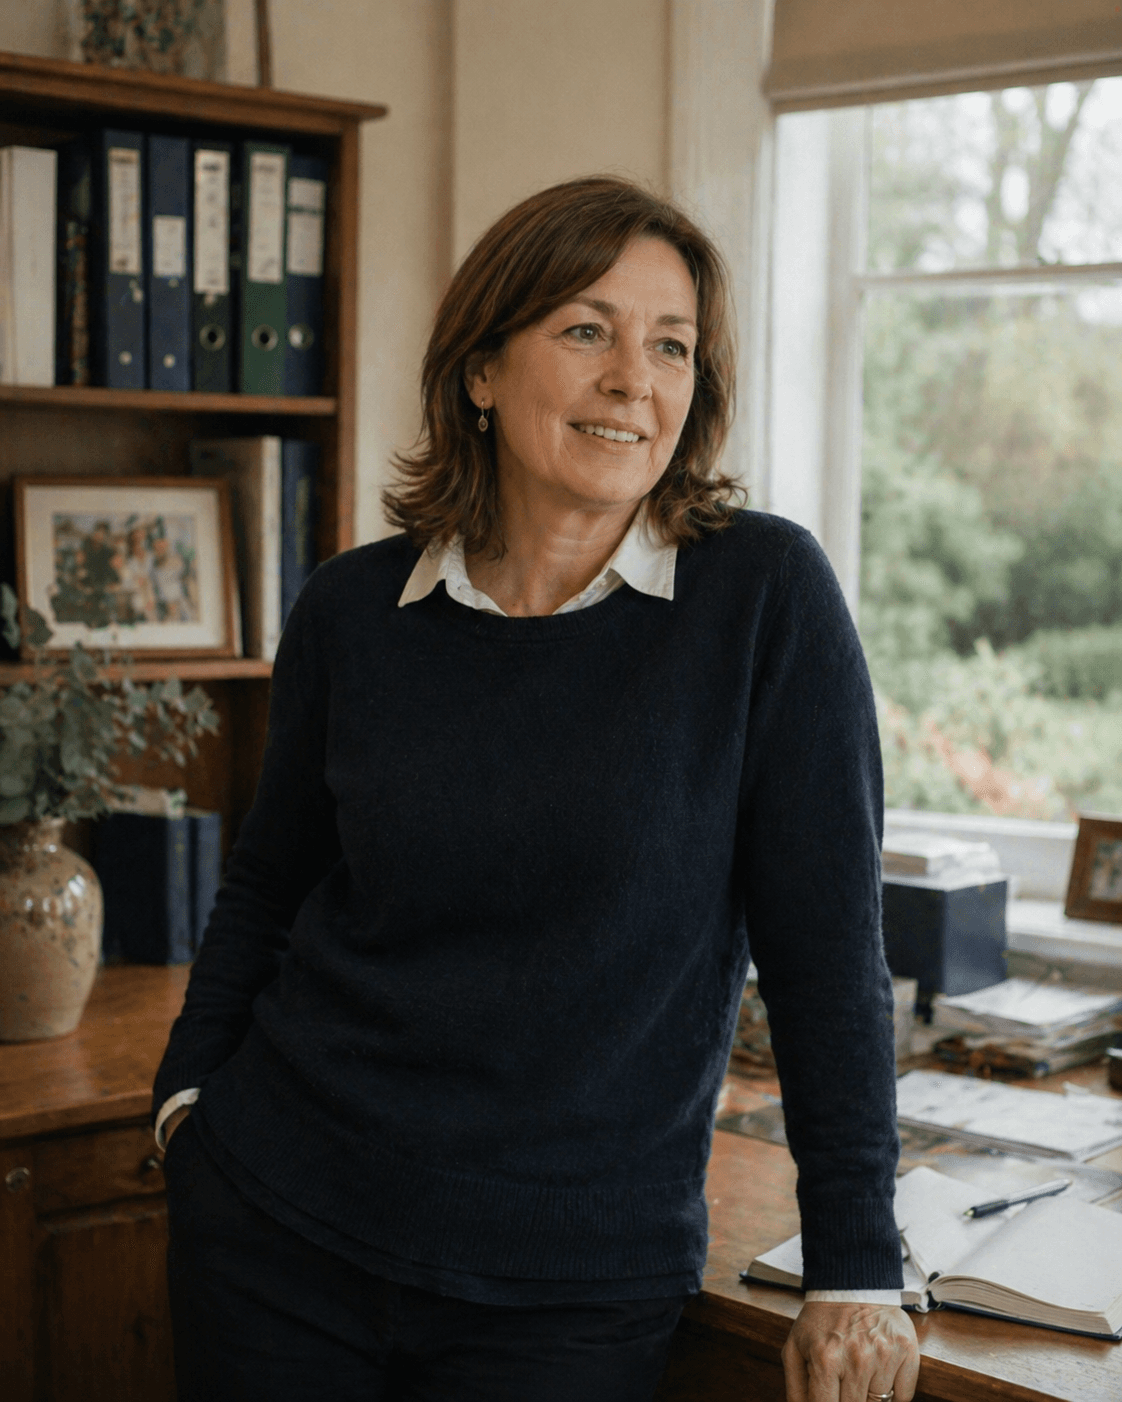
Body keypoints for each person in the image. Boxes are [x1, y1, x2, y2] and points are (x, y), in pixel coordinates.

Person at [154, 175, 920, 1402]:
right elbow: (267, 885)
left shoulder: (764, 598)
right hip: (277, 1228)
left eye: (670, 345)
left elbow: (829, 950)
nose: (634, 378)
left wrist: (858, 1271)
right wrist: (188, 1107)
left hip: (570, 1293)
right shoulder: (356, 607)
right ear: (479, 370)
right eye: (585, 330)